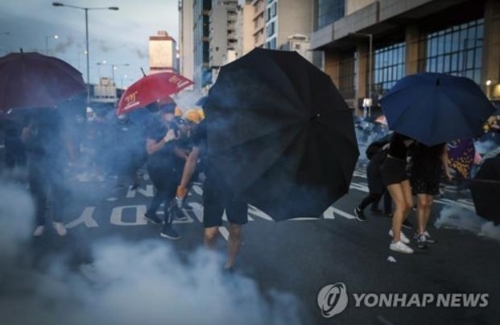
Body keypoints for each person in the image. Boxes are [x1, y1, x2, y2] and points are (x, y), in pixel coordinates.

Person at [175, 117, 248, 271]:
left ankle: (229, 266)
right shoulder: (205, 125)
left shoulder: (244, 122)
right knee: (210, 232)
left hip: (238, 185)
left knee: (236, 228)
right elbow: (192, 159)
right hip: (214, 184)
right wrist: (182, 187)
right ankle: (211, 266)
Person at [21, 108, 75, 237]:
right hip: (35, 159)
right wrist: (29, 127)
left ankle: (58, 221)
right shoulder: (29, 114)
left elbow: (65, 135)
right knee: (38, 192)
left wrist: (72, 158)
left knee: (58, 190)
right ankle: (40, 223)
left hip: (54, 158)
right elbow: (23, 138)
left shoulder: (55, 113)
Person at [143, 102, 183, 239]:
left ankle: (151, 213)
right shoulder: (155, 126)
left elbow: (174, 148)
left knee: (163, 192)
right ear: (161, 112)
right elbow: (150, 149)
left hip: (168, 165)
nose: (170, 113)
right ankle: (167, 228)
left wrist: (186, 156)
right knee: (170, 194)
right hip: (156, 166)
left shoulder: (172, 125)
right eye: (168, 111)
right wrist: (165, 139)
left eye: (172, 110)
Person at [410, 142, 452, 249]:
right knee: (422, 202)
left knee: (429, 203)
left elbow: (444, 153)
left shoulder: (442, 137)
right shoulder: (420, 135)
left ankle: (422, 230)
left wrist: (447, 171)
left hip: (434, 171)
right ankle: (420, 233)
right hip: (420, 170)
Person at [380, 132, 415, 254]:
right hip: (391, 168)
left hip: (401, 167)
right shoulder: (403, 131)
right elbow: (407, 145)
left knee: (409, 204)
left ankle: (395, 229)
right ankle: (395, 242)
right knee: (401, 206)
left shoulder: (414, 133)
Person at [354, 139, 392, 221]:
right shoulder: (392, 139)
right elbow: (374, 146)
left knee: (384, 190)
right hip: (376, 167)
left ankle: (376, 208)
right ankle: (359, 208)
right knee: (376, 192)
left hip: (385, 168)